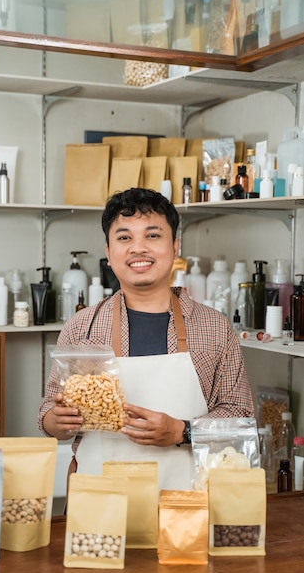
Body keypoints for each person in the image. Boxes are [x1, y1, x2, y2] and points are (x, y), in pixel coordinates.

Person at [39, 187, 255, 490]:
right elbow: (50, 415)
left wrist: (182, 432)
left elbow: (239, 415)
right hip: (101, 502)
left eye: (152, 236)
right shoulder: (82, 327)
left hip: (186, 504)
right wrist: (57, 421)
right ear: (109, 251)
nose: (138, 248)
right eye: (125, 237)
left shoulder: (213, 327)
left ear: (175, 246)